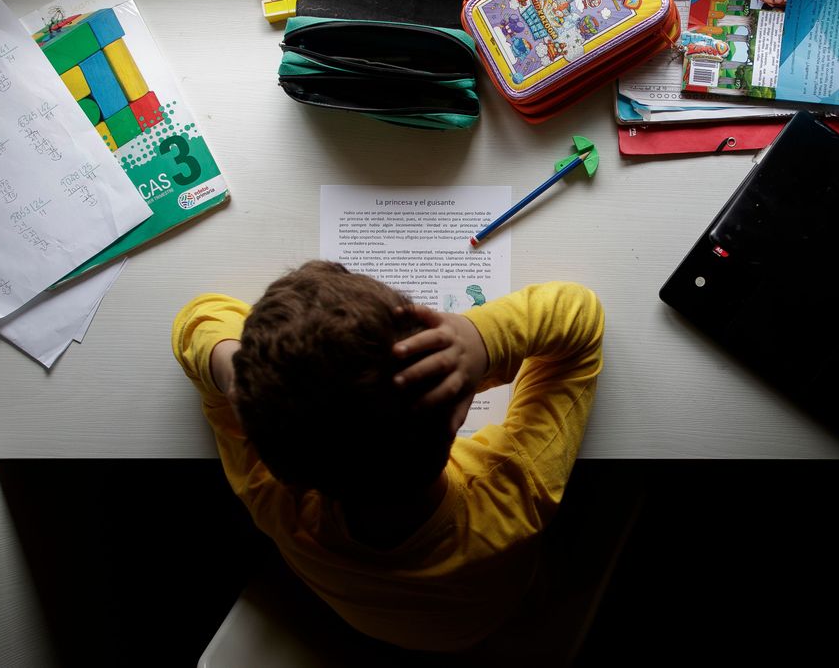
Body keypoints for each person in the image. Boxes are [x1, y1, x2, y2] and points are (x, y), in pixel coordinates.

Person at [171, 261, 604, 652]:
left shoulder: (273, 497)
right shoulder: (510, 496)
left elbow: (195, 320)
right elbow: (580, 317)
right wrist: (482, 338)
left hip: (364, 628)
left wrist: (239, 372)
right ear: (458, 409)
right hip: (494, 622)